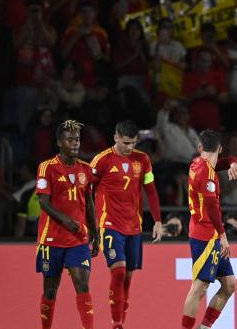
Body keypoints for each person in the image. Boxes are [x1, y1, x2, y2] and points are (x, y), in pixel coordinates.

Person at [90, 120, 163, 329]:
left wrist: (157, 220)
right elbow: (87, 192)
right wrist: (88, 224)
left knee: (128, 277)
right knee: (119, 271)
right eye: (125, 143)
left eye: (132, 143)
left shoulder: (143, 160)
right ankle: (116, 323)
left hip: (134, 226)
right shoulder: (101, 161)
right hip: (109, 224)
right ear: (115, 138)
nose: (129, 147)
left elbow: (150, 190)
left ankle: (121, 319)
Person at [35, 120, 98, 329]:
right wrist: (66, 221)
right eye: (70, 139)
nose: (75, 143)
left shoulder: (86, 170)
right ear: (59, 143)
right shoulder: (47, 167)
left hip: (78, 239)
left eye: (77, 139)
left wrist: (95, 233)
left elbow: (88, 203)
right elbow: (43, 201)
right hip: (51, 239)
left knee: (82, 283)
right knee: (51, 290)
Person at [181, 129, 237, 329]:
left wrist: (232, 162)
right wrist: (223, 236)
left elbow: (222, 162)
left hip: (210, 233)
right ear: (220, 148)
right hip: (204, 235)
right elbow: (212, 208)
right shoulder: (207, 173)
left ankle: (205, 326)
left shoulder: (198, 163)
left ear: (200, 148)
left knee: (229, 284)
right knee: (199, 287)